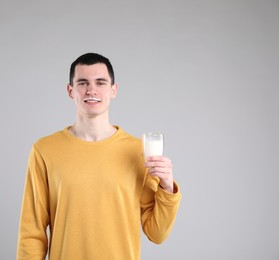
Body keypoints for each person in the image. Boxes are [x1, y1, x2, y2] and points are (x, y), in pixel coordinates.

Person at [16, 53, 182, 260]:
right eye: (83, 82)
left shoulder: (138, 151)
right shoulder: (44, 150)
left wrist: (166, 187)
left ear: (113, 90)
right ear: (70, 91)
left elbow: (157, 234)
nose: (91, 90)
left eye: (100, 82)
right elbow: (32, 231)